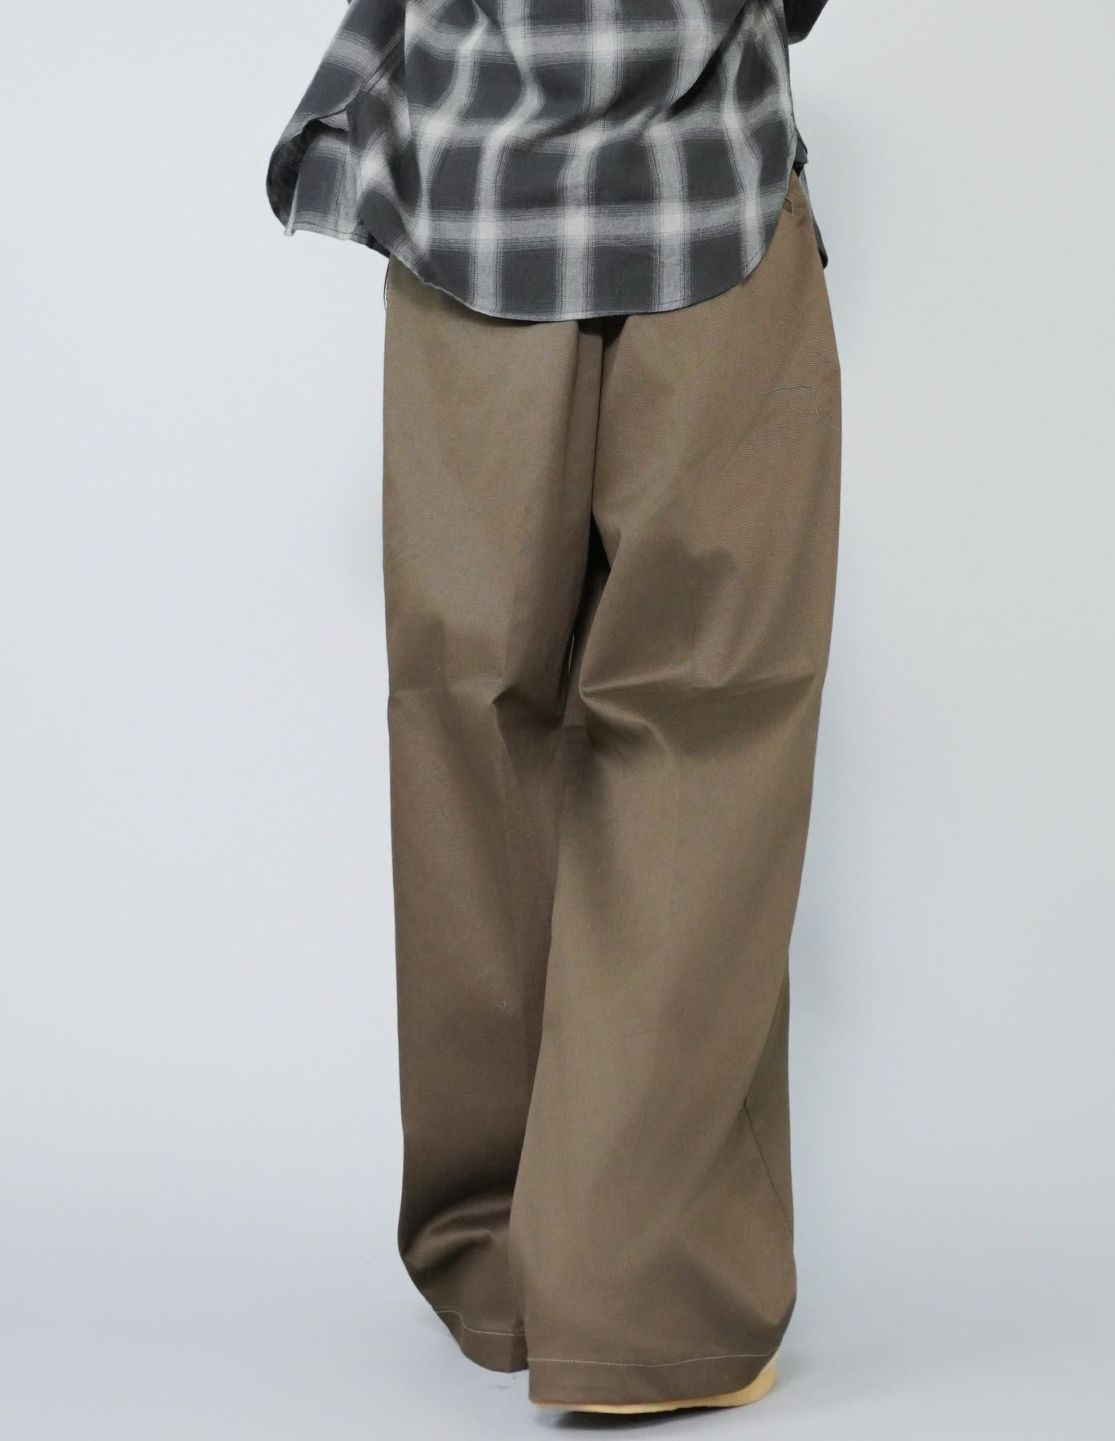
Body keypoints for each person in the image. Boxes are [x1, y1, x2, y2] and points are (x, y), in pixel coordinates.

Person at [265, 0, 839, 1415]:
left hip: (473, 195)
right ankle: (638, 1301)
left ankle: (501, 1260)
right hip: (709, 202)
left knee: (470, 723)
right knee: (702, 728)